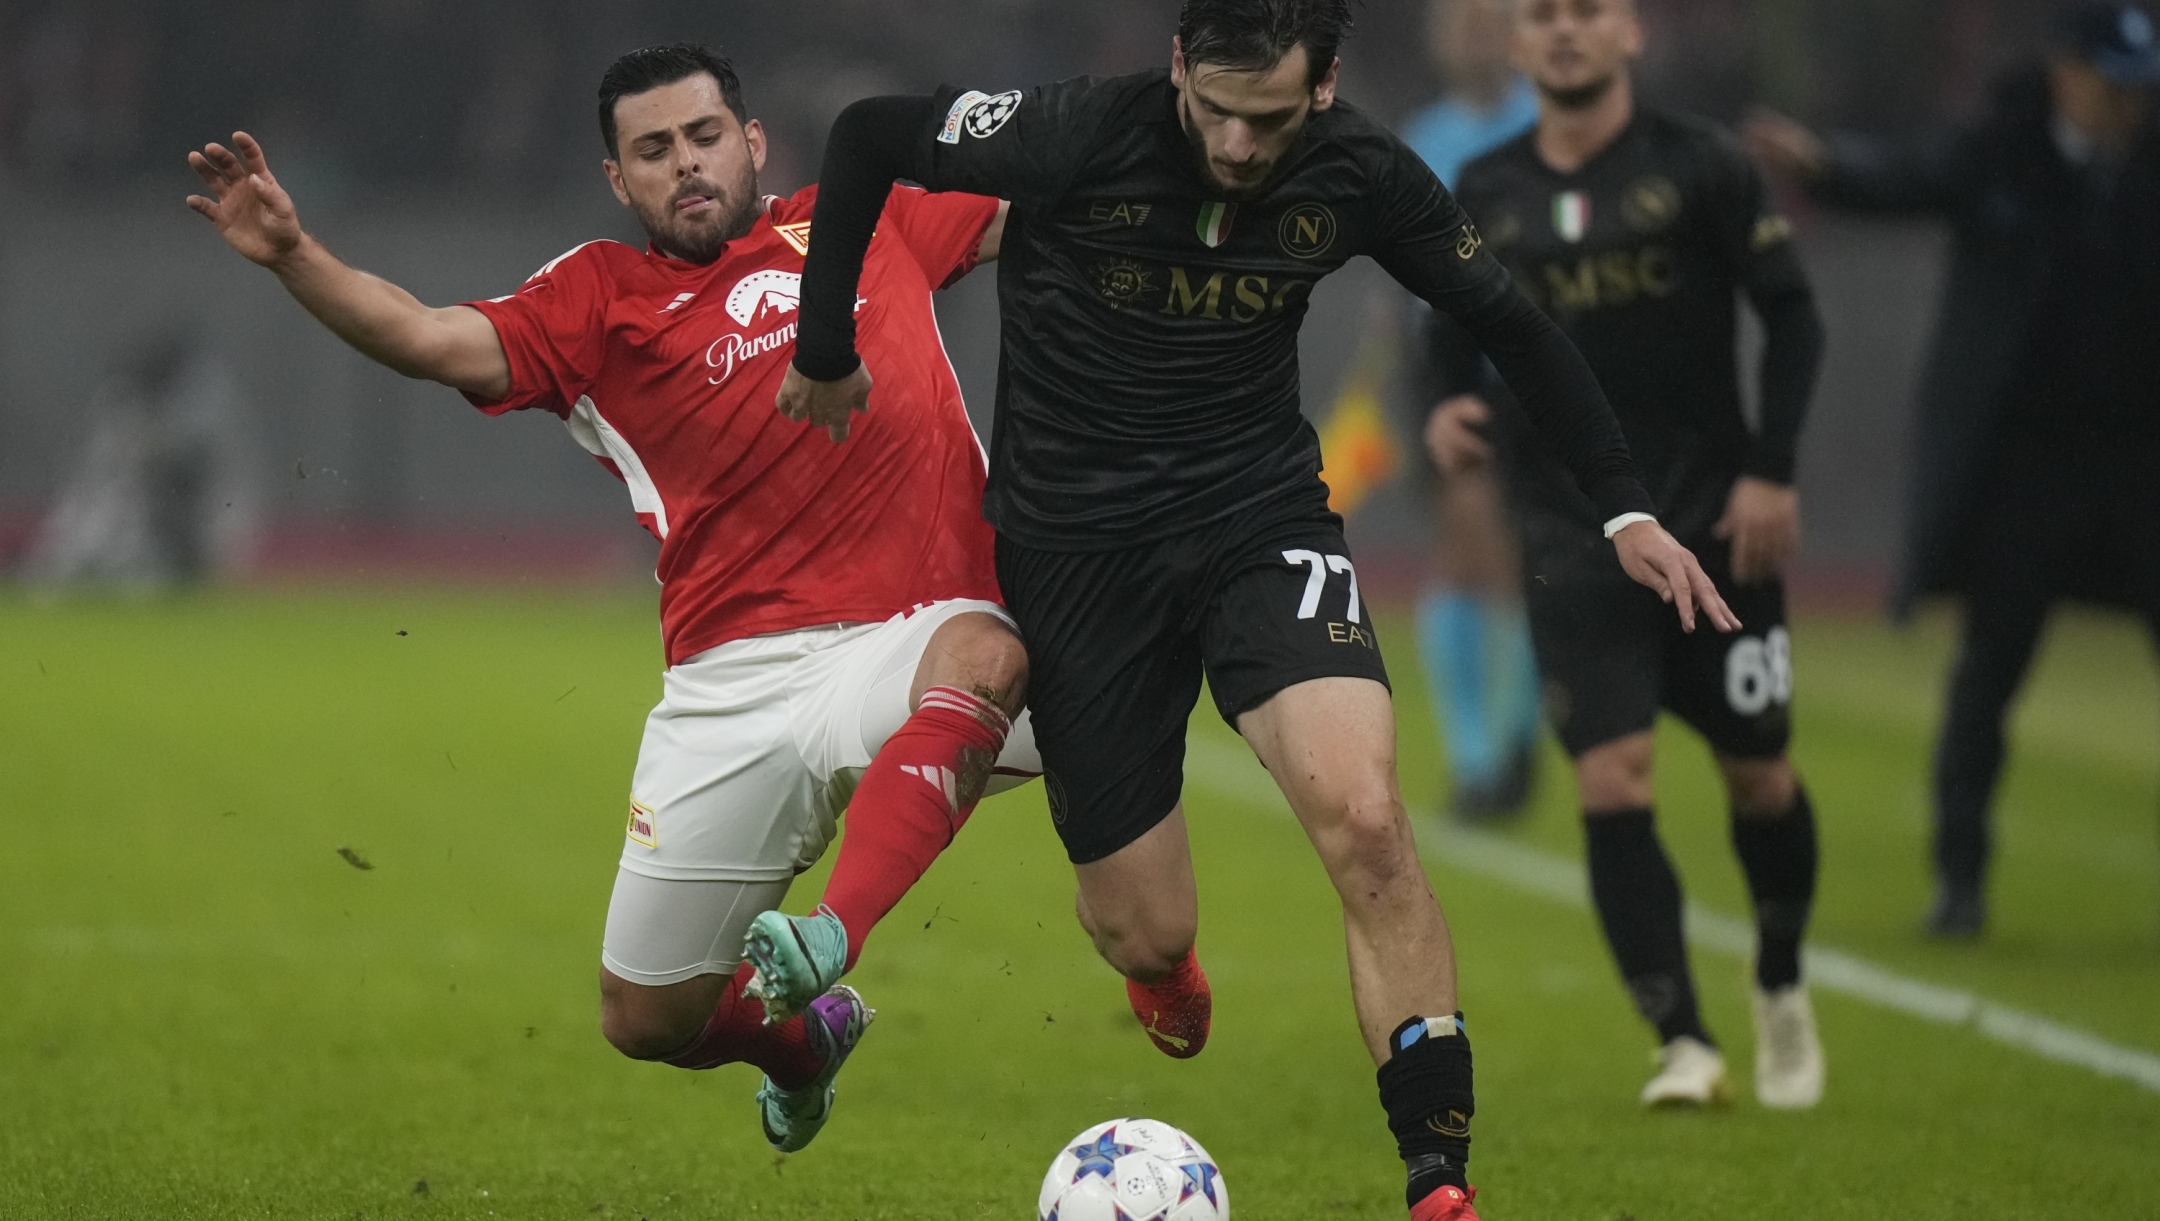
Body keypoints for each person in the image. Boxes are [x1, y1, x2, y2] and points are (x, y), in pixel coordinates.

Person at [776, 2, 1739, 1215]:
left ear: (1325, 87)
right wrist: (822, 347)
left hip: (1257, 523)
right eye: (1215, 109)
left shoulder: (1360, 171)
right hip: (1078, 561)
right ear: (1178, 65)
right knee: (1142, 929)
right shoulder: (1077, 130)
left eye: (1268, 117)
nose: (1236, 144)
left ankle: (1439, 1179)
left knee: (1369, 821)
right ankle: (1166, 971)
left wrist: (1624, 509)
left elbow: (1509, 320)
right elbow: (868, 135)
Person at [184, 42, 1042, 1154]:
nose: (685, 165)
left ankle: (857, 934)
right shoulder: (595, 299)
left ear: (752, 143)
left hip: (911, 641)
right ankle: (805, 1042)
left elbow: (1047, 203)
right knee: (648, 1018)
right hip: (732, 685)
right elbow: (431, 336)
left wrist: (1196, 134)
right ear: (618, 180)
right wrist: (295, 255)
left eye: (702, 137)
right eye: (653, 151)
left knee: (993, 653)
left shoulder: (862, 221)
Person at [1426, 0, 1828, 1110]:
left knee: (1760, 774)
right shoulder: (1486, 190)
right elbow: (1442, 327)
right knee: (1614, 778)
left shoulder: (1705, 167)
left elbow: (1793, 317)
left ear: (1631, 33)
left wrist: (1773, 470)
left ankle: (1782, 981)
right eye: (1541, 16)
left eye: (1586, 12)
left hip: (1716, 523)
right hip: (1569, 533)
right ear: (1516, 43)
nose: (1563, 33)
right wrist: (1448, 404)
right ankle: (1683, 1043)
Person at [1747, 2, 2160, 939]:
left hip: (2141, 463)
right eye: (2112, 82)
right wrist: (1825, 166)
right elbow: (1910, 179)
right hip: (2027, 465)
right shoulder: (2005, 148)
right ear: (2066, 72)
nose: (2126, 105)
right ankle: (1959, 877)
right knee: (1988, 677)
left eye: (2140, 88)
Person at [1399, 0, 1546, 818]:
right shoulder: (1428, 134)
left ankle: (1512, 736)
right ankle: (1478, 754)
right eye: (1461, 25)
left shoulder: (1550, 126)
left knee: (1528, 563)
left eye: (1491, 23)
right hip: (1450, 371)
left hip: (1540, 366)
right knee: (1471, 548)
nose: (1475, 40)